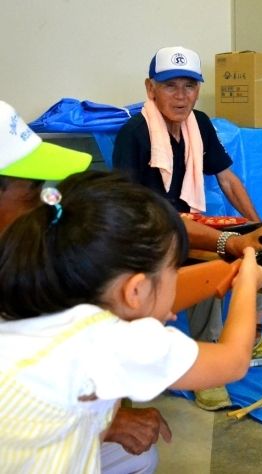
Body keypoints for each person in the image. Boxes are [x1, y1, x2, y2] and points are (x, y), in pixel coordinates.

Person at [0, 169, 262, 473]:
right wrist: (248, 282)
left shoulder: (37, 299)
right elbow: (232, 361)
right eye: (172, 270)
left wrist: (225, 272)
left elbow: (142, 301)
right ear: (136, 290)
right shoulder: (114, 342)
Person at [112, 46, 262, 411]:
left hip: (187, 222)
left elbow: (228, 180)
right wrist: (230, 238)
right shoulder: (134, 133)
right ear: (150, 88)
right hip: (149, 231)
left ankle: (256, 337)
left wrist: (258, 227)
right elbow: (130, 207)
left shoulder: (198, 124)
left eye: (189, 86)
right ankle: (208, 360)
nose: (181, 96)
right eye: (170, 86)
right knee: (207, 264)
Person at [0, 100, 168, 473]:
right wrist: (101, 423)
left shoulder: (22, 255)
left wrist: (230, 248)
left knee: (133, 454)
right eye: (34, 191)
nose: (46, 207)